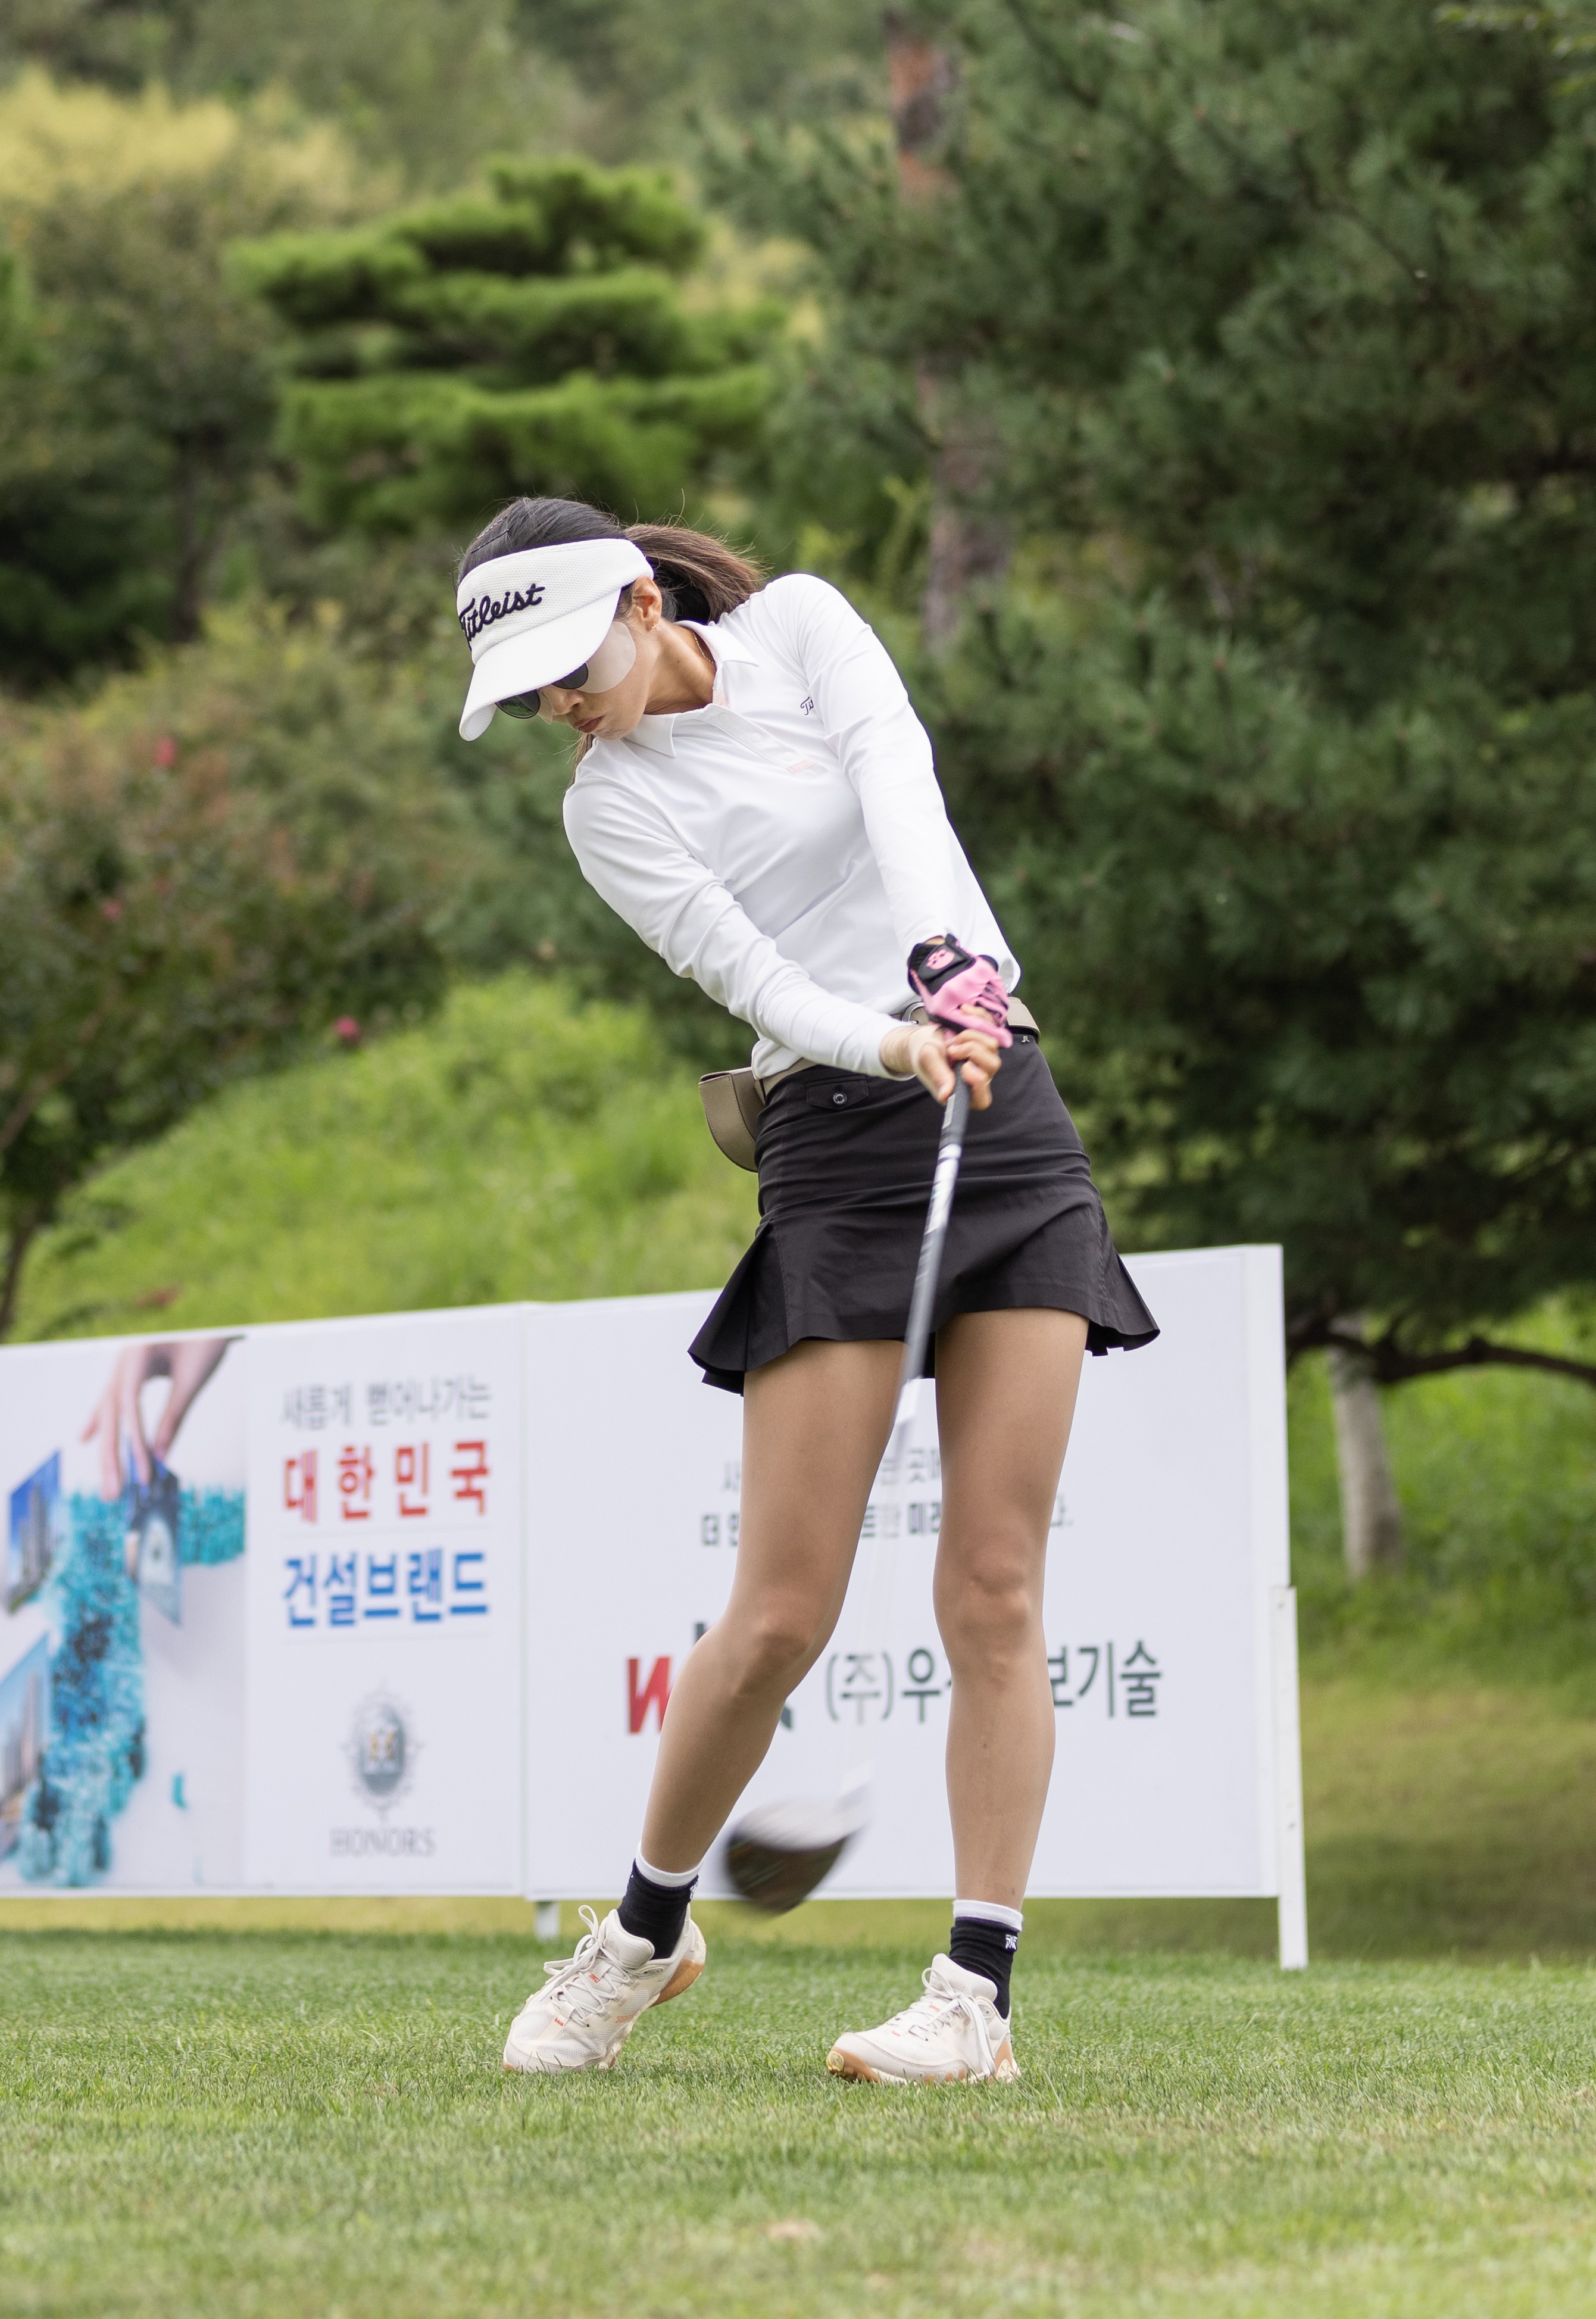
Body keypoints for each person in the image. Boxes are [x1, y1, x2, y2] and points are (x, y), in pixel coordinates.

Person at [454, 498, 1157, 2084]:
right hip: (835, 1138)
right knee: (779, 1612)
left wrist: (946, 962)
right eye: (532, 695)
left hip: (1001, 1110)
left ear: (643, 603)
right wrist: (897, 1034)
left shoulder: (802, 629)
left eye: (573, 666)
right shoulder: (607, 809)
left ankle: (972, 2001)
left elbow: (897, 776)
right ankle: (643, 1936)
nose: (564, 705)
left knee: (994, 1586)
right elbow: (752, 975)